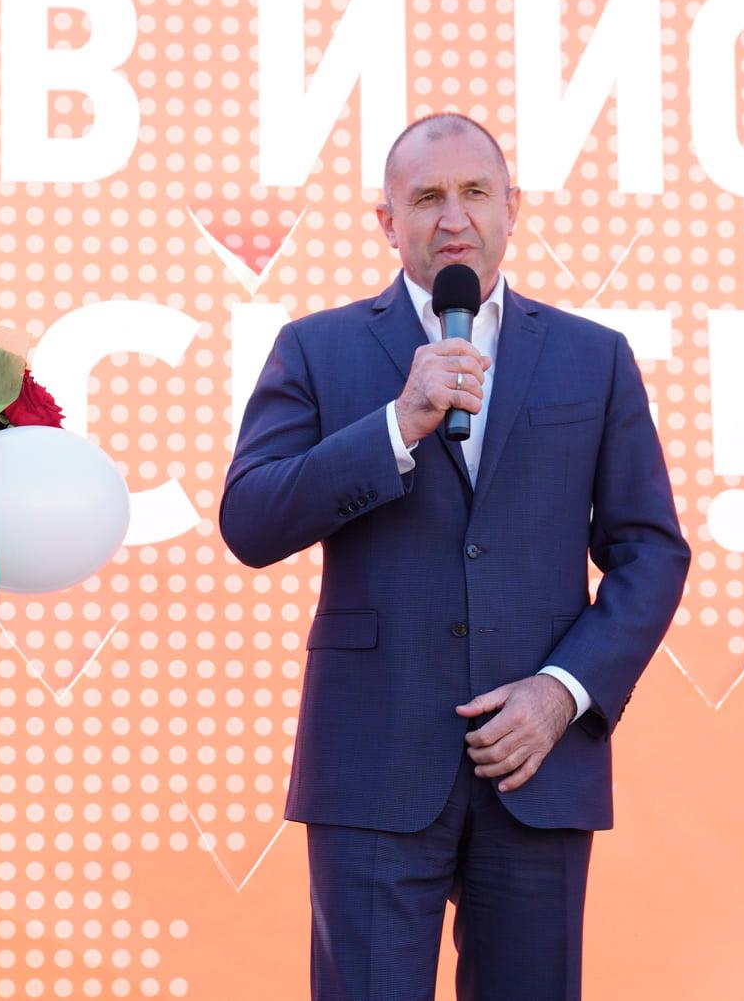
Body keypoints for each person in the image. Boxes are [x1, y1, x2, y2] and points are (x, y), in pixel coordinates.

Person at [219, 113, 690, 1000]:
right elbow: (250, 520)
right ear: (385, 221)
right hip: (371, 757)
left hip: (536, 760)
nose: (452, 217)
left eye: (474, 192)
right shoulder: (316, 348)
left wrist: (563, 692)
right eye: (425, 197)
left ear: (513, 207)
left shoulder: (593, 358)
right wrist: (397, 424)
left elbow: (650, 552)